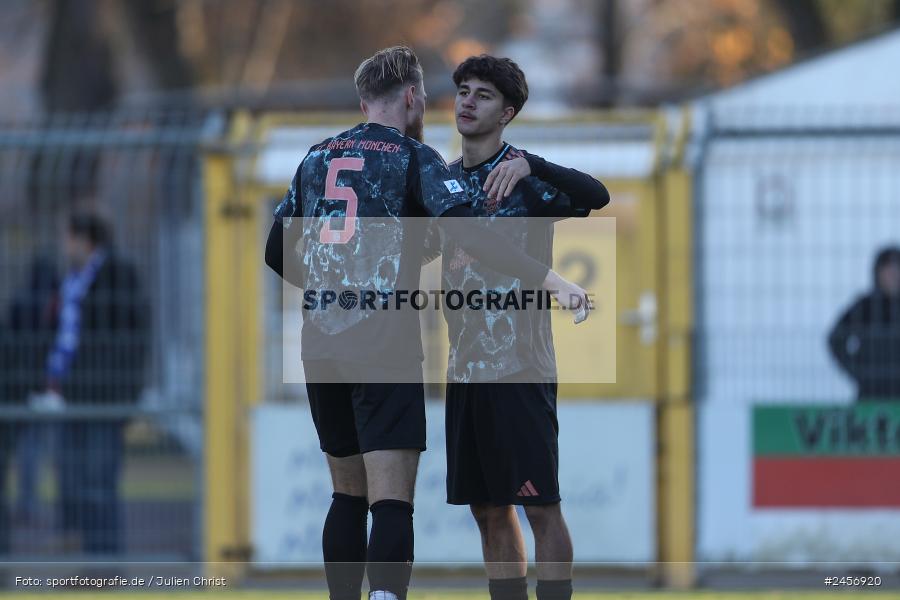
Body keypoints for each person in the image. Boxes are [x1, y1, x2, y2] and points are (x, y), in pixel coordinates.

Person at [264, 46, 588, 600]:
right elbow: (469, 232)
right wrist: (549, 278)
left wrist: (332, 288)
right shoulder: (414, 158)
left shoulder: (315, 159)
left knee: (345, 493)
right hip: (383, 344)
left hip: (319, 344)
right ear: (413, 97)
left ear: (363, 99)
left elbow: (277, 251)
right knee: (390, 497)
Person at [433, 55, 609, 600]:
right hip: (464, 372)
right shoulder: (442, 182)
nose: (467, 101)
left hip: (520, 368)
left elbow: (594, 194)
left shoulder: (524, 177)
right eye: (463, 90)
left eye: (483, 94)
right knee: (488, 509)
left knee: (540, 504)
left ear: (507, 112)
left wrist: (533, 164)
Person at [51, 213, 149, 554]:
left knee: (99, 481)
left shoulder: (117, 275)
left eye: (67, 238)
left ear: (84, 239)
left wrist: (125, 392)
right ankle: (91, 557)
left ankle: (104, 563)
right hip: (74, 395)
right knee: (76, 479)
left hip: (104, 395)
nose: (64, 246)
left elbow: (133, 337)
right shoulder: (74, 278)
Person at [0, 256, 59, 554]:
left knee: (28, 450)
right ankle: (32, 504)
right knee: (39, 448)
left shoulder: (20, 302)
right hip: (37, 385)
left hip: (17, 389)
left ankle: (26, 503)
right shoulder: (49, 304)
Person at [828, 246, 900, 401]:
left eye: (897, 270)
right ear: (878, 274)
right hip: (870, 395)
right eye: (888, 270)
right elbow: (836, 339)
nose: (894, 275)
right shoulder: (865, 306)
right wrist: (859, 372)